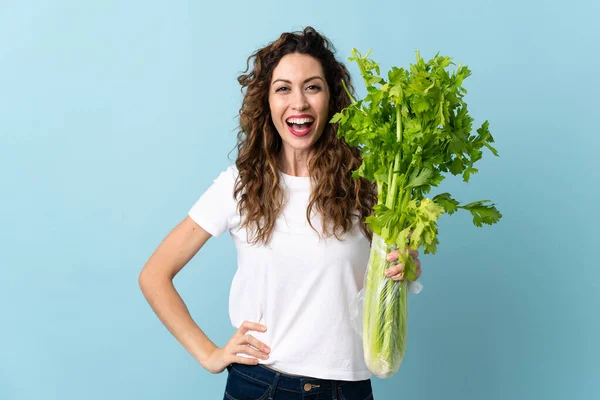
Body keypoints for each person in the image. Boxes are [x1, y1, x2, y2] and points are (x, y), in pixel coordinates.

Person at [138, 26, 422, 400]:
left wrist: (407, 269)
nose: (299, 103)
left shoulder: (369, 185)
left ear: (332, 99)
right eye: (284, 88)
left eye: (313, 87)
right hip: (260, 386)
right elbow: (154, 275)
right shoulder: (239, 186)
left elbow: (389, 274)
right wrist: (210, 355)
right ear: (267, 102)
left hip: (347, 388)